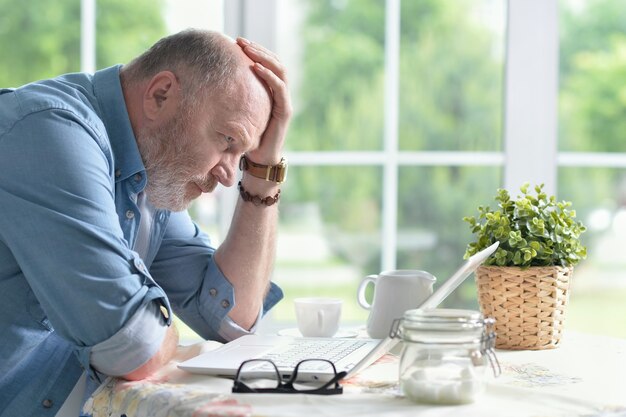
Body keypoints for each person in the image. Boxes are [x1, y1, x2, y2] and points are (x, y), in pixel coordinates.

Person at [0, 29, 290, 417]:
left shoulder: (149, 176)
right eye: (227, 141)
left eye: (242, 158)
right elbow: (132, 347)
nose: (227, 175)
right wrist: (162, 336)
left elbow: (229, 318)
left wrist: (264, 168)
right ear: (161, 95)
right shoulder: (49, 130)